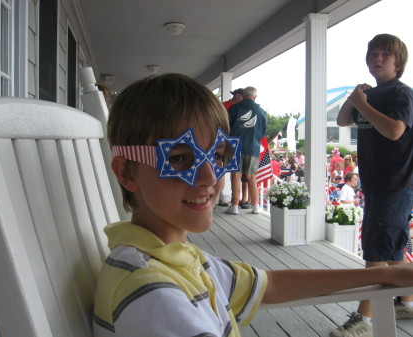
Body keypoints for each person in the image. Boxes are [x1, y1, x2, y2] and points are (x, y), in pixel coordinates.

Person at [93, 73, 413, 337]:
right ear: (127, 172)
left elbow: (271, 284)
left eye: (219, 155)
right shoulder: (152, 293)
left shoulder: (173, 256)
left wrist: (392, 276)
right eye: (179, 158)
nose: (210, 176)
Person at [333, 33, 413, 337]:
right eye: (373, 54)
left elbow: (394, 131)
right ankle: (406, 301)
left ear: (398, 62)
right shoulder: (369, 95)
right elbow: (342, 121)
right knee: (391, 247)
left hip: (394, 183)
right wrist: (354, 99)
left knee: (376, 253)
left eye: (385, 55)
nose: (378, 60)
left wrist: (362, 104)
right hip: (380, 184)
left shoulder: (401, 94)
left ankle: (363, 320)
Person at [226, 86, 267, 215]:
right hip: (252, 147)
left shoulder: (234, 108)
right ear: (255, 97)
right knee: (251, 177)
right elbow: (263, 132)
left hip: (235, 146)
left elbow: (226, 126)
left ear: (243, 95)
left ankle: (235, 206)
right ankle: (255, 206)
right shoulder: (261, 112)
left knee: (236, 176)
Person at [218, 88, 245, 206]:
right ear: (238, 96)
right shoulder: (223, 106)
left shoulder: (240, 109)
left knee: (232, 171)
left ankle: (229, 198)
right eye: (243, 97)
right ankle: (220, 197)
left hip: (232, 143)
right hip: (222, 141)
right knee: (220, 168)